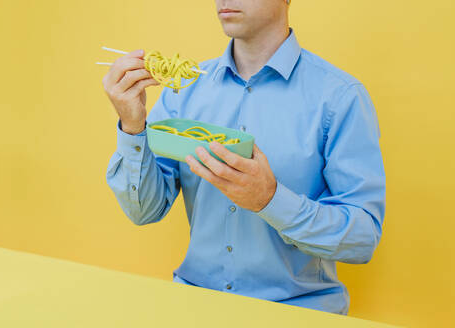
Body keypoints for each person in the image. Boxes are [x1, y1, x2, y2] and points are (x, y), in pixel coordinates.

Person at [102, 0, 385, 316]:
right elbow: (145, 211)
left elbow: (362, 238)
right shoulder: (184, 88)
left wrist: (270, 199)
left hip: (298, 313)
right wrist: (132, 127)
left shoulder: (339, 97)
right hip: (194, 308)